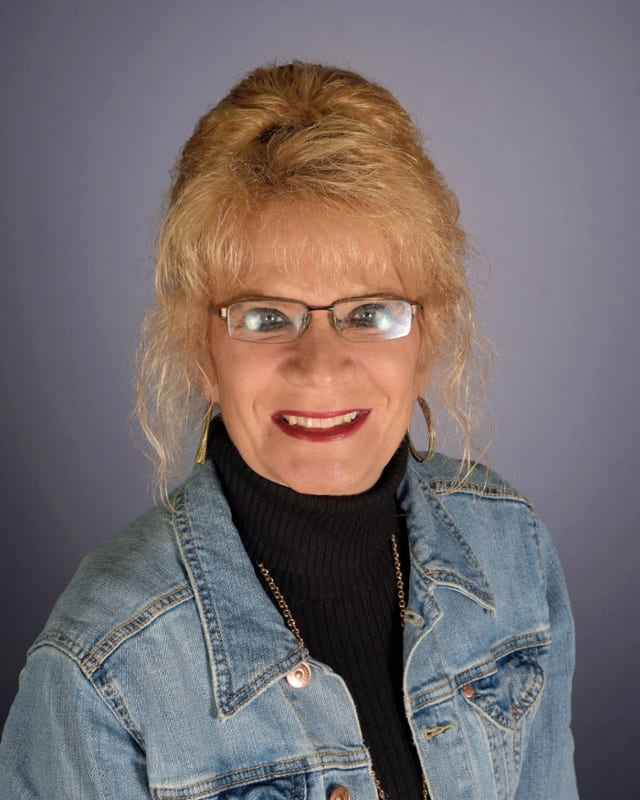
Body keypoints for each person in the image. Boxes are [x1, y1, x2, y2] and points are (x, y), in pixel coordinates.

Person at [0, 62, 578, 799]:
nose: (320, 367)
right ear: (202, 351)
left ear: (427, 339)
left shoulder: (513, 549)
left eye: (369, 313)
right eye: (266, 316)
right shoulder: (100, 663)